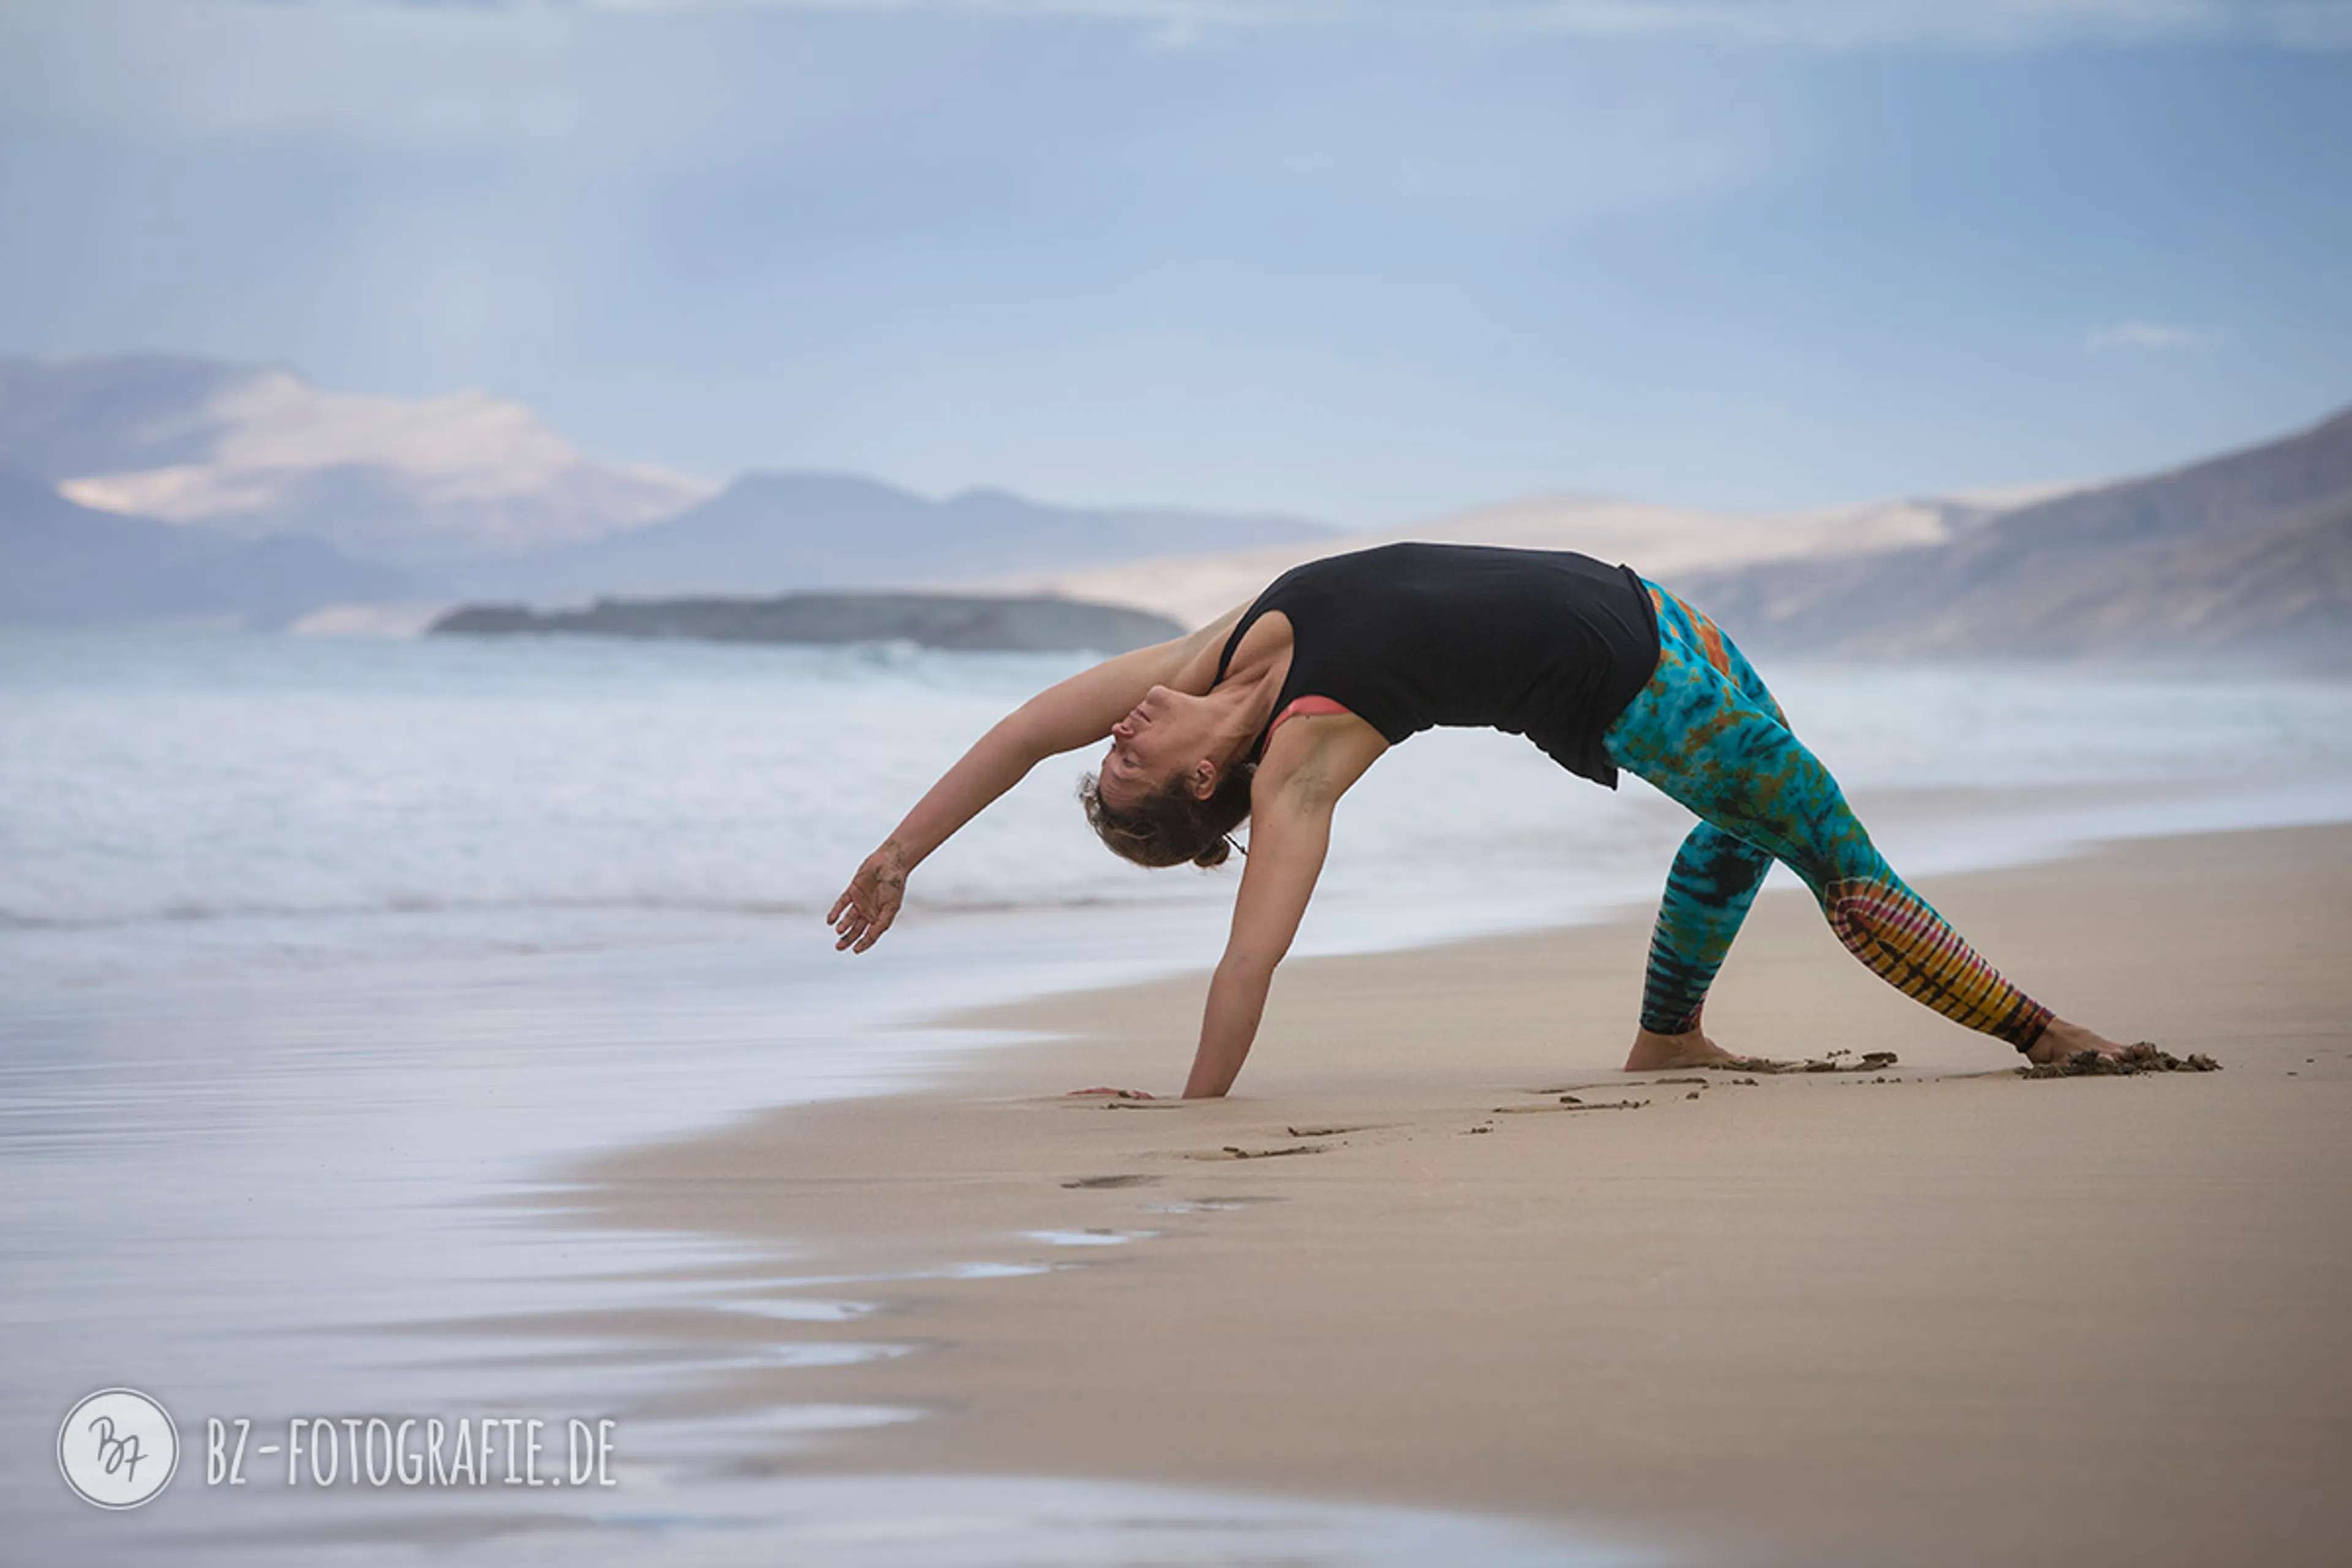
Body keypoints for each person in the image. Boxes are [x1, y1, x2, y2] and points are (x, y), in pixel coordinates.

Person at [827, 542, 2132, 1098]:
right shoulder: (1293, 771)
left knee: (1746, 828)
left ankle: (1667, 1043)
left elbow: (1016, 732)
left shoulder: (1211, 651)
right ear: (1203, 789)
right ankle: (2042, 1029)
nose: (1119, 735)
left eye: (1113, 749)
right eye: (1129, 765)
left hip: (1657, 610)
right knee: (1829, 847)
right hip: (1641, 691)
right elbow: (1249, 957)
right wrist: (1191, 1101)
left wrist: (898, 852)